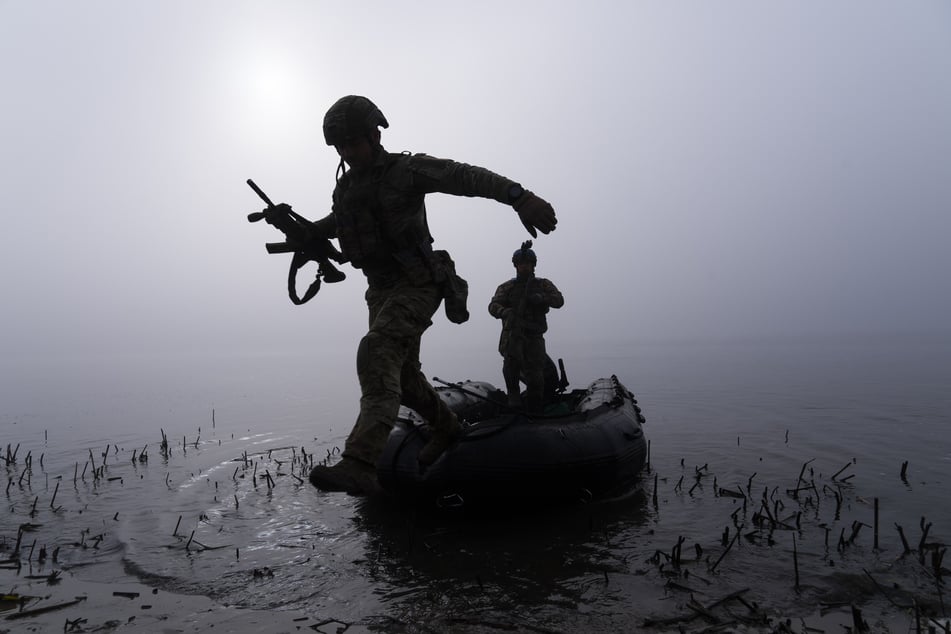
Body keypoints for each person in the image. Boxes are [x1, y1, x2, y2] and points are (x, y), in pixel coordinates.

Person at [291, 95, 557, 495]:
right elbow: (344, 223)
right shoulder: (346, 188)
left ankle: (360, 461)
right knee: (404, 375)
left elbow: (462, 176)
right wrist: (311, 230)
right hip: (379, 290)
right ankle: (447, 427)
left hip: (419, 282)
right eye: (340, 146)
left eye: (353, 142)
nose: (348, 152)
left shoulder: (407, 169)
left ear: (374, 134)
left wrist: (519, 197)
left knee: (377, 348)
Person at [488, 240, 564, 412]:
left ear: (533, 265)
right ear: (516, 265)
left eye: (528, 264)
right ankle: (514, 404)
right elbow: (492, 306)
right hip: (512, 335)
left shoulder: (543, 284)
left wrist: (541, 298)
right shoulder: (507, 287)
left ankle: (535, 409)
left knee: (536, 377)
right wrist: (504, 312)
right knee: (511, 370)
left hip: (534, 337)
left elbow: (559, 300)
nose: (524, 267)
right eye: (521, 264)